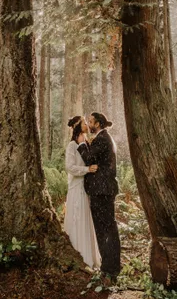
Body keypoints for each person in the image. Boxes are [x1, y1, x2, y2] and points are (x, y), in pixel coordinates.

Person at [77, 112, 121, 282]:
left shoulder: (103, 139)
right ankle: (110, 268)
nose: (88, 124)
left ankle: (110, 270)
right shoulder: (102, 138)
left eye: (91, 121)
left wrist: (81, 145)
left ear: (99, 123)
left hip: (102, 191)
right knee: (106, 229)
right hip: (102, 191)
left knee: (106, 230)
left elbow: (88, 158)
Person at [64, 115, 101, 269]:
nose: (87, 124)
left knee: (86, 220)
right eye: (85, 122)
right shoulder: (72, 145)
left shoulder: (86, 143)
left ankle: (89, 257)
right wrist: (87, 169)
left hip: (85, 189)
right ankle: (79, 256)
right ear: (79, 126)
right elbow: (70, 167)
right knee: (77, 219)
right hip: (76, 188)